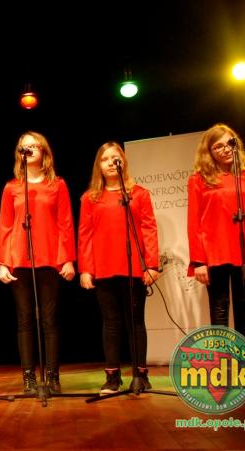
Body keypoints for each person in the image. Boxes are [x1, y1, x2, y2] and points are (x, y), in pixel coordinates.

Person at [187, 124, 245, 389]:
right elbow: (194, 223)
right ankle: (224, 371)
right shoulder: (198, 180)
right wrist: (198, 261)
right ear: (209, 151)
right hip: (214, 253)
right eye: (218, 146)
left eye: (229, 143)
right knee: (220, 310)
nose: (225, 149)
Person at [0, 132, 75, 394]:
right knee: (25, 319)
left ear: (43, 152)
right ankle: (28, 376)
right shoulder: (12, 187)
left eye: (33, 146)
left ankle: (52, 375)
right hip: (19, 258)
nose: (28, 150)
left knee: (49, 320)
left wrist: (68, 259)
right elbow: (5, 225)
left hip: (50, 258)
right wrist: (3, 262)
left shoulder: (57, 185)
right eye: (24, 146)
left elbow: (65, 223)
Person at [78, 141, 159, 394]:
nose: (111, 163)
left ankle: (140, 375)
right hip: (104, 268)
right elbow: (85, 235)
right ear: (99, 166)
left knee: (136, 322)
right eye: (105, 159)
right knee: (111, 323)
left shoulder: (139, 194)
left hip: (134, 268)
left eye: (115, 158)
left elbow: (149, 229)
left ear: (123, 161)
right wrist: (86, 269)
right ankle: (112, 377)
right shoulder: (90, 198)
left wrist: (151, 264)